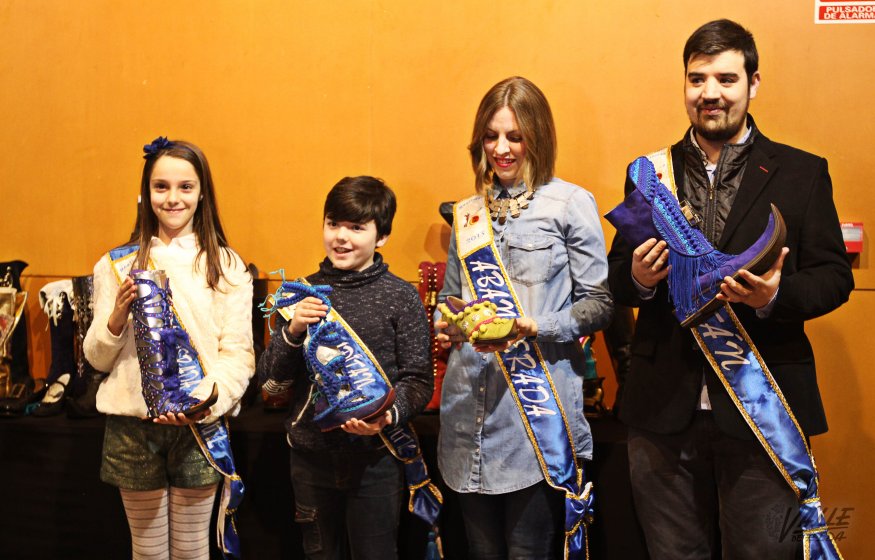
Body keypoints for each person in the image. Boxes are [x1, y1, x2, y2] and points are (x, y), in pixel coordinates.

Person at [606, 20, 854, 558]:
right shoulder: (650, 173)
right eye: (697, 79)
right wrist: (641, 279)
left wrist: (773, 298)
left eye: (726, 78)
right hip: (662, 411)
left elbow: (835, 277)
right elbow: (618, 276)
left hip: (763, 408)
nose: (710, 93)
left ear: (753, 83)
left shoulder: (802, 172)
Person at [436, 76, 613, 559]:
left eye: (514, 136)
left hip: (535, 418)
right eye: (491, 136)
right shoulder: (467, 214)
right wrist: (450, 323)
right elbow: (450, 299)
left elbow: (599, 304)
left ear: (538, 136)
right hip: (467, 415)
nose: (501, 149)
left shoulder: (570, 203)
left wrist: (533, 327)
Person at [84, 137, 255, 560]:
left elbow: (238, 354)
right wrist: (116, 318)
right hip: (133, 429)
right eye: (161, 186)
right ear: (146, 193)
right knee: (146, 550)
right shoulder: (114, 265)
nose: (173, 198)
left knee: (192, 550)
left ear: (202, 193)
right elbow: (96, 358)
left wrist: (202, 401)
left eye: (185, 187)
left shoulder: (227, 265)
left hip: (199, 425)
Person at [256, 176, 433, 560]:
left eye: (356, 227)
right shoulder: (299, 293)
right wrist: (293, 330)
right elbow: (271, 383)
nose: (341, 237)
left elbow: (418, 380)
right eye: (333, 223)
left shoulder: (401, 296)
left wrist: (385, 417)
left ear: (381, 236)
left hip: (376, 457)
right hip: (311, 458)